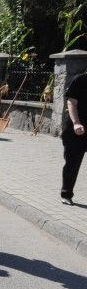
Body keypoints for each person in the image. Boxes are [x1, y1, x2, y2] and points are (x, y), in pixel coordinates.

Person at [61, 72, 87, 203]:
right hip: (76, 131)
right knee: (72, 164)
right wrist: (76, 123)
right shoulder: (80, 80)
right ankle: (66, 194)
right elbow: (71, 102)